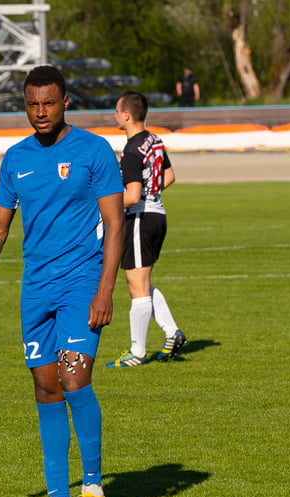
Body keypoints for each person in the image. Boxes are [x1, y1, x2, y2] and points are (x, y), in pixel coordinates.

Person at [0, 65, 124, 497]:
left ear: (65, 101)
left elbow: (115, 222)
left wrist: (105, 289)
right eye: (32, 104)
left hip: (82, 281)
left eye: (49, 103)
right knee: (46, 387)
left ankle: (93, 490)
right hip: (36, 288)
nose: (40, 112)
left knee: (74, 378)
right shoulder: (15, 158)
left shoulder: (94, 150)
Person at [105, 91, 186, 367]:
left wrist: (101, 205)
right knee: (143, 283)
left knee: (135, 286)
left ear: (126, 115)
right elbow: (170, 176)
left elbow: (132, 196)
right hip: (157, 216)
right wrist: (151, 193)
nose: (114, 115)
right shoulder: (154, 140)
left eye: (117, 111)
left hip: (140, 218)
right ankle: (172, 332)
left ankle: (137, 351)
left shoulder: (130, 150)